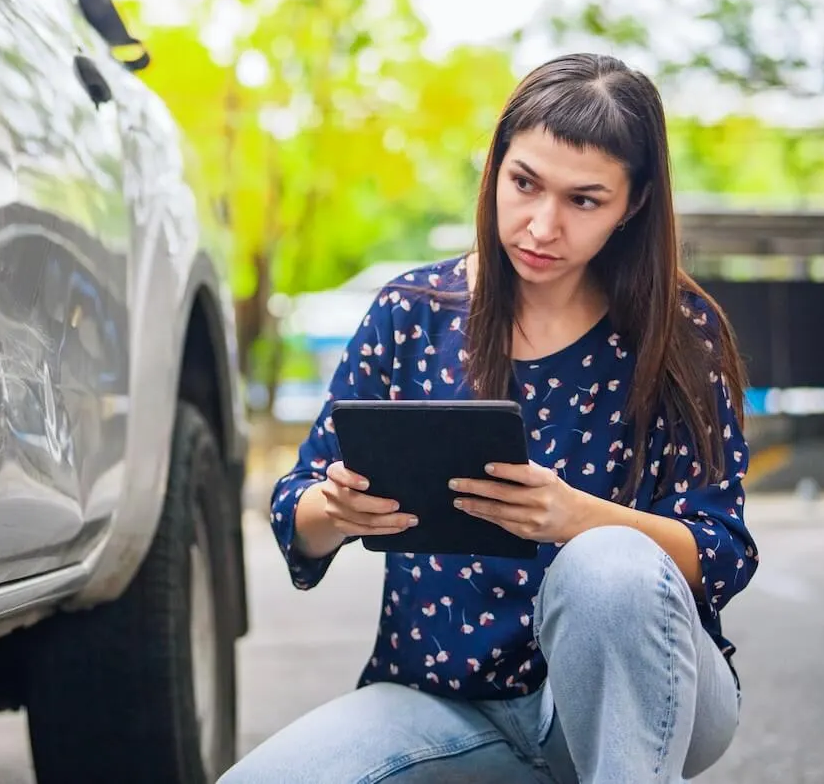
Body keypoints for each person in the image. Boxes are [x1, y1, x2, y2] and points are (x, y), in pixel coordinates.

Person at [220, 53, 758, 784]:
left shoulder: (678, 333)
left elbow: (722, 552)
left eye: (584, 200)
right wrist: (337, 506)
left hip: (645, 697)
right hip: (446, 703)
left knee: (607, 562)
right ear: (496, 167)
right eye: (525, 183)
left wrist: (574, 516)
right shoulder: (412, 313)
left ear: (632, 205)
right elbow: (295, 509)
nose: (542, 224)